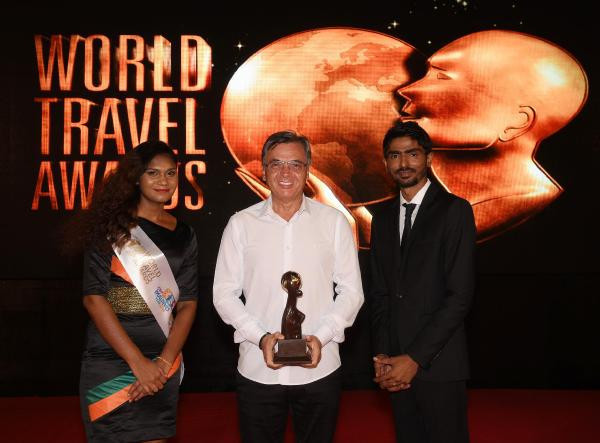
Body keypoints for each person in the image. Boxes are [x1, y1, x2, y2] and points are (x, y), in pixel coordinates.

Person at [213, 130, 364, 443]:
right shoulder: (240, 224)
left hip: (320, 367)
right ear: (264, 170)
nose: (285, 173)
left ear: (308, 170)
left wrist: (321, 337)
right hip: (258, 367)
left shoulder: (334, 222)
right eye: (276, 164)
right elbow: (224, 295)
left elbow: (352, 291)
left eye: (295, 164)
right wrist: (261, 338)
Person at [397, 30, 588, 241]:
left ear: (516, 121)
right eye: (426, 75)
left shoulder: (514, 210)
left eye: (441, 77)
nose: (406, 90)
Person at [78, 141, 198, 442]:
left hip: (162, 360)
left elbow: (188, 304)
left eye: (170, 173)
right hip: (110, 357)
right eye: (152, 173)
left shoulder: (185, 234)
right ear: (136, 177)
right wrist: (138, 363)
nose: (163, 181)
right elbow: (93, 299)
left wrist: (162, 363)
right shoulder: (110, 228)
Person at [369, 121, 476, 443]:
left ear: (428, 158)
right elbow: (379, 293)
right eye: (395, 156)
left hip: (439, 364)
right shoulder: (382, 218)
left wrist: (414, 358)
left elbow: (459, 295)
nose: (403, 163)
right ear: (386, 162)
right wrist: (383, 356)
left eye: (412, 154)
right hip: (395, 365)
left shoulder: (455, 211)